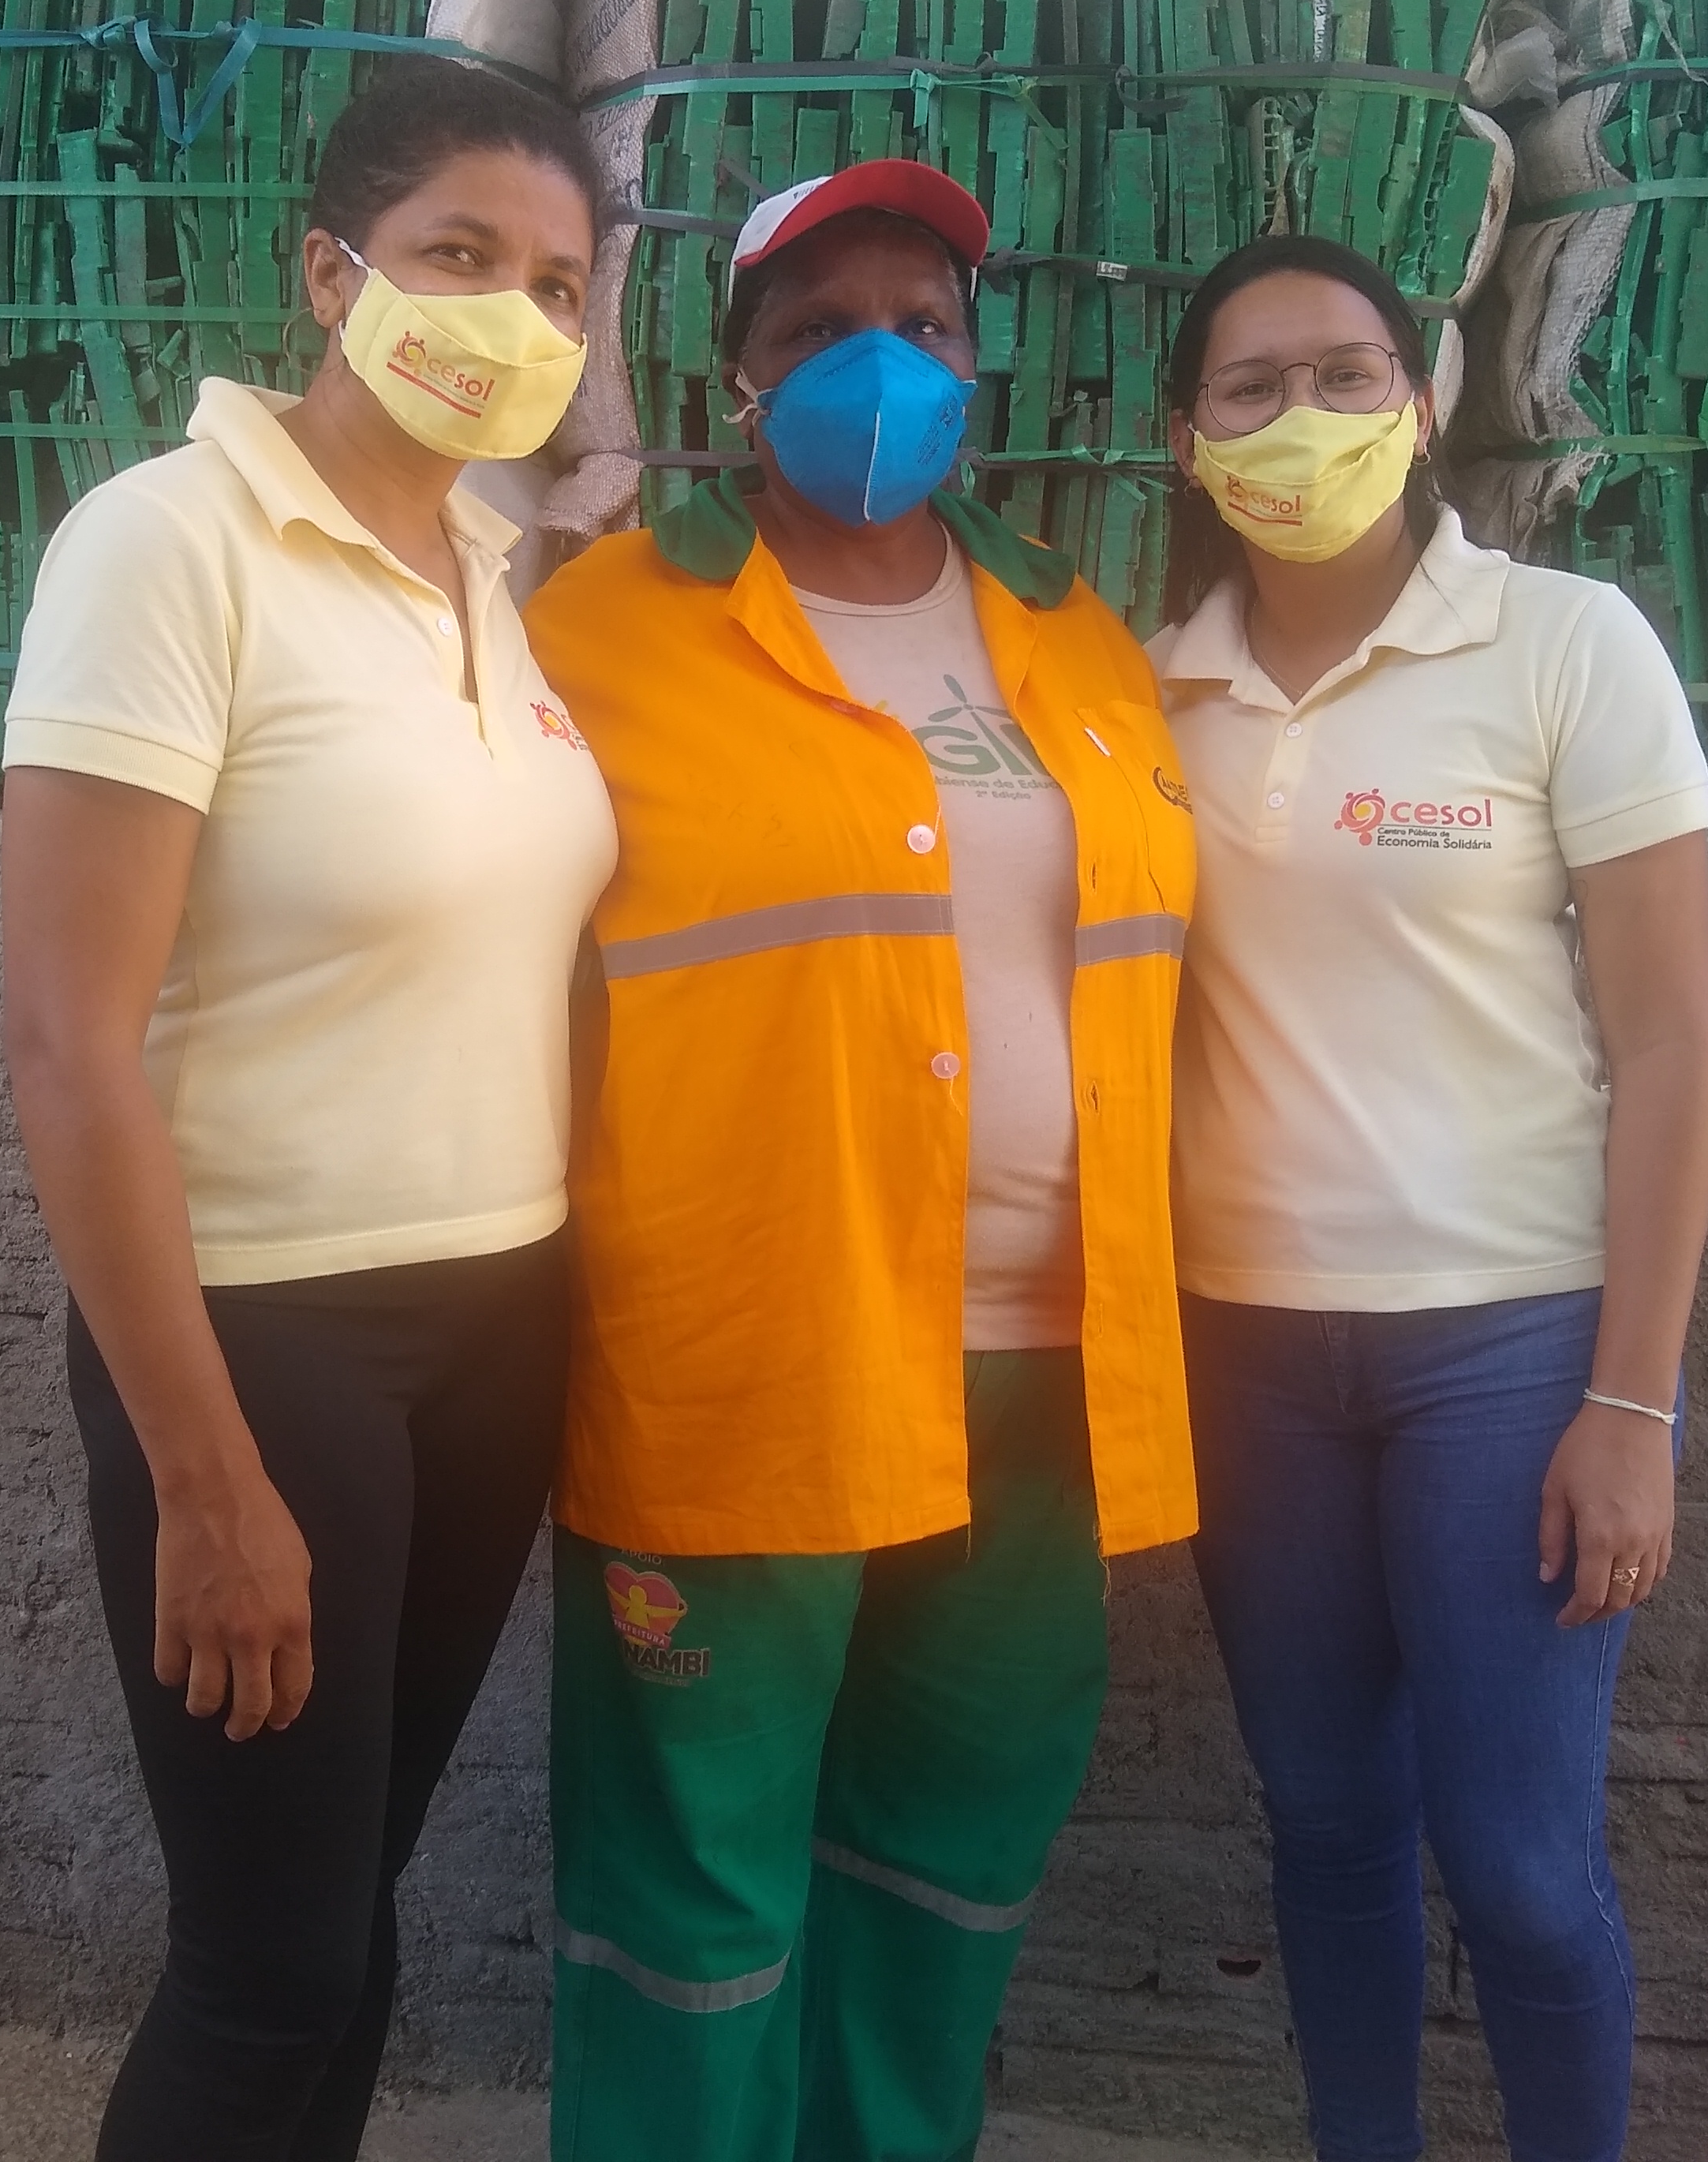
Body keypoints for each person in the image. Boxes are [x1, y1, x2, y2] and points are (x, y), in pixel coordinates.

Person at [522, 159, 1199, 2162]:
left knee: (945, 1866)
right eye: (819, 329)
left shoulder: (1075, 638)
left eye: (923, 326)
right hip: (744, 1355)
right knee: (697, 1903)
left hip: (1041, 1372)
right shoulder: (601, 631)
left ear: (976, 368)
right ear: (734, 376)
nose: (880, 366)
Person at [0, 61, 619, 2162]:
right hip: (268, 1337)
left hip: (502, 1319)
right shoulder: (170, 549)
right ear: (332, 274)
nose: (513, 315)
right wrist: (202, 1474)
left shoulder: (491, 577)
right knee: (261, 1972)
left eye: (558, 282)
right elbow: (67, 1045)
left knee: (348, 1921)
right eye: (461, 255)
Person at [1150, 234, 1708, 2162]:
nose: (1301, 417)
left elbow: (1669, 1044)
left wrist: (1629, 1402)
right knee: (1323, 1827)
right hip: (1242, 1352)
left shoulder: (1564, 646)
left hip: (1512, 1349)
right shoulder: (1142, 694)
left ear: (1418, 405)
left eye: (1344, 374)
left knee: (1521, 1871)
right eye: (1248, 387)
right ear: (1184, 439)